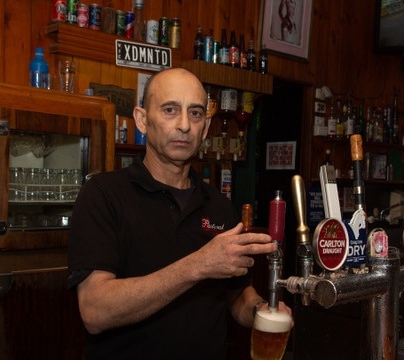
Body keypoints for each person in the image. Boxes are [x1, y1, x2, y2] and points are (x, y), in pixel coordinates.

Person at [68, 68, 291, 359]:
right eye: (170, 110)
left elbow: (235, 294)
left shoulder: (219, 206)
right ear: (142, 119)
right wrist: (198, 264)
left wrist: (261, 309)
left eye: (195, 113)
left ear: (206, 127)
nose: (184, 125)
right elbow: (95, 311)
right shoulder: (103, 194)